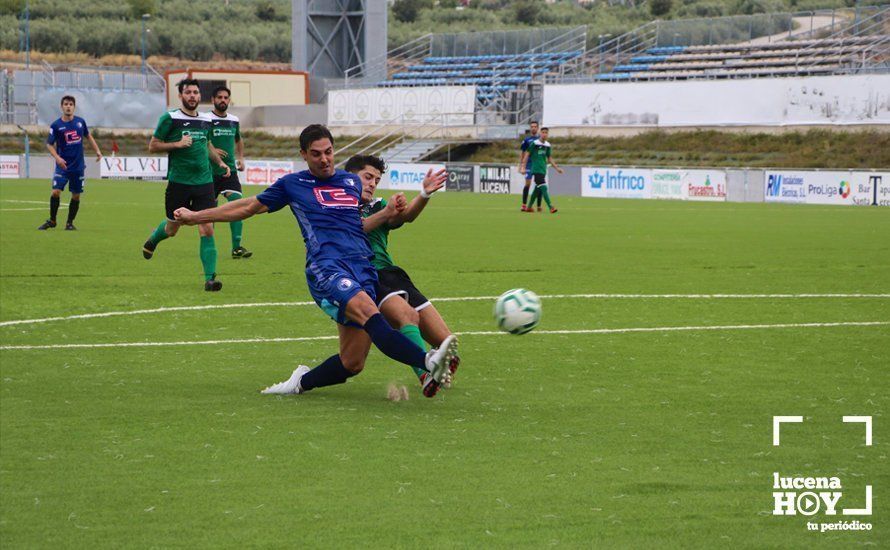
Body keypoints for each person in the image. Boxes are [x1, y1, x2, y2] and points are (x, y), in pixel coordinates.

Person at [173, 124, 457, 396]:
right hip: (327, 268)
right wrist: (196, 216)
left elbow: (358, 225)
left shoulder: (349, 182)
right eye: (316, 154)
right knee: (372, 316)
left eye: (329, 151)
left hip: (363, 269)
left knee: (352, 362)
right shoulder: (292, 184)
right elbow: (248, 206)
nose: (324, 159)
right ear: (304, 155)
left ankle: (300, 382)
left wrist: (399, 206)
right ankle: (427, 363)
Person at [346, 154, 459, 398]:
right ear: (349, 177)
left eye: (376, 179)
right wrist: (386, 213)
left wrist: (425, 194)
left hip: (393, 274)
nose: (372, 183)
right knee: (406, 315)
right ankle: (425, 374)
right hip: (368, 277)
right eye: (367, 177)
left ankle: (434, 367)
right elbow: (354, 228)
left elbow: (405, 216)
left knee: (447, 344)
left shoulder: (378, 205)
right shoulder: (338, 207)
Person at [141, 78, 231, 292]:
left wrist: (219, 162)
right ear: (181, 96)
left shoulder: (206, 120)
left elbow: (207, 143)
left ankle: (210, 279)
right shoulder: (170, 118)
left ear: (200, 96)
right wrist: (177, 144)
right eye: (188, 92)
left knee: (207, 228)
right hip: (179, 183)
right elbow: (153, 146)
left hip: (204, 183)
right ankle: (154, 239)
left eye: (195, 92)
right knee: (173, 228)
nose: (192, 96)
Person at [38, 95, 102, 231]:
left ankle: (69, 223)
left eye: (71, 104)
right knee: (55, 192)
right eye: (66, 104)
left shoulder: (80, 122)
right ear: (62, 107)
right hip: (63, 166)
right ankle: (52, 220)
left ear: (74, 107)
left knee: (76, 195)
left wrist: (97, 150)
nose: (68, 106)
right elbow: (49, 144)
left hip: (78, 166)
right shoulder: (56, 125)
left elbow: (88, 136)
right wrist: (57, 158)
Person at [207, 85, 252, 259]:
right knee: (210, 211)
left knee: (237, 206)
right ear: (213, 100)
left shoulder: (233, 120)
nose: (223, 100)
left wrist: (241, 157)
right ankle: (209, 246)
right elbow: (203, 139)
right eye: (219, 97)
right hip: (210, 172)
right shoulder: (206, 119)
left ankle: (237, 247)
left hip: (230, 172)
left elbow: (239, 140)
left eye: (226, 97)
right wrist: (212, 150)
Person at [520, 127, 563, 214]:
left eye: (546, 132)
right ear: (540, 133)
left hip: (543, 170)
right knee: (544, 187)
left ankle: (528, 207)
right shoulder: (534, 143)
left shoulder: (547, 145)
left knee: (537, 188)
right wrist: (523, 167)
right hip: (536, 169)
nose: (544, 134)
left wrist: (557, 168)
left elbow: (549, 158)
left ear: (548, 134)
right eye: (543, 132)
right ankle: (551, 207)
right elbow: (527, 154)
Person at [519, 121, 539, 212]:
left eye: (535, 126)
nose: (533, 128)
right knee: (528, 184)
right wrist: (521, 166)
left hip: (538, 164)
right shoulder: (527, 140)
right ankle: (524, 204)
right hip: (529, 164)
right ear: (530, 128)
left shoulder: (541, 139)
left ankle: (538, 205)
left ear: (538, 128)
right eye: (532, 126)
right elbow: (522, 153)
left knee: (539, 184)